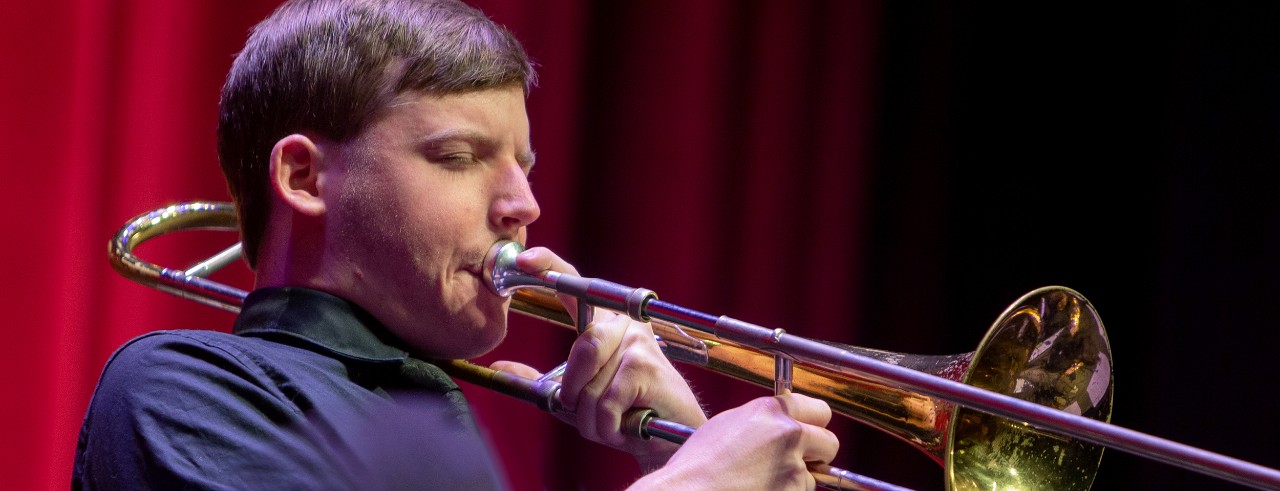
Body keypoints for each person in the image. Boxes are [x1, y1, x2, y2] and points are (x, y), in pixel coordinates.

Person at [72, 0, 840, 489]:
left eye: (523, 167)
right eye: (459, 157)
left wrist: (673, 446)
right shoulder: (175, 390)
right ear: (304, 176)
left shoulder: (435, 420)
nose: (523, 205)